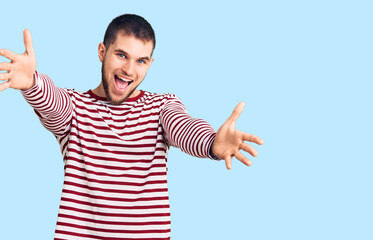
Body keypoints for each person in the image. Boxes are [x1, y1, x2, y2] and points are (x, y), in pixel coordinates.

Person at [0, 14, 263, 240]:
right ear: (102, 52)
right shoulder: (75, 107)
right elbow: (54, 105)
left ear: (149, 63)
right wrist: (32, 84)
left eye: (141, 60)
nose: (128, 69)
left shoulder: (161, 106)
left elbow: (182, 126)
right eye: (121, 55)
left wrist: (211, 143)